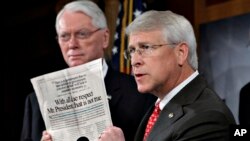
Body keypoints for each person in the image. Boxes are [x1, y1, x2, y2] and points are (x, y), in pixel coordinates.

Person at [20, 1, 156, 141]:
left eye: (82, 34)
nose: (72, 44)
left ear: (105, 38)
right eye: (64, 36)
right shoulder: (37, 102)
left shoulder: (140, 93)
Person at [97, 10, 236, 141]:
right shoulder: (159, 106)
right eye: (132, 51)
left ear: (180, 53)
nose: (134, 61)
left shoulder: (208, 118)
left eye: (146, 47)